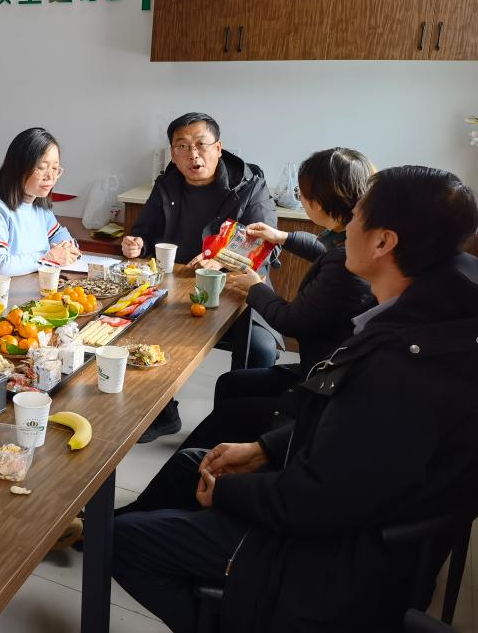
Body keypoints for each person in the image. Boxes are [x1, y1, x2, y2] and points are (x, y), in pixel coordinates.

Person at [112, 166, 478, 633]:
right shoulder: (433, 317)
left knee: (124, 542)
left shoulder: (403, 368)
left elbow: (315, 501)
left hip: (331, 562)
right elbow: (352, 439)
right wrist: (265, 448)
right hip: (346, 522)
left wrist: (229, 492)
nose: (347, 227)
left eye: (358, 215)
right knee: (195, 462)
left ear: (384, 242)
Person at [120, 147, 376, 514]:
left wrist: (255, 287)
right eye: (182, 146)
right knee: (232, 384)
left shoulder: (344, 262)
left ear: (320, 201)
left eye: (303, 193)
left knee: (232, 403)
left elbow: (291, 320)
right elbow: (322, 249)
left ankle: (174, 492)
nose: (192, 154)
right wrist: (282, 237)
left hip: (320, 385)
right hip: (323, 374)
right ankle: (206, 482)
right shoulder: (349, 236)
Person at [126, 112, 279, 441]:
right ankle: (163, 413)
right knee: (135, 329)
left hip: (237, 291)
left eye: (200, 144)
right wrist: (136, 242)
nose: (192, 154)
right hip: (175, 290)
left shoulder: (249, 185)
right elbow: (143, 231)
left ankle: (235, 431)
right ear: (172, 153)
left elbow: (264, 245)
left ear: (218, 148)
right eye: (182, 146)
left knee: (261, 349)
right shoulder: (166, 184)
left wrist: (220, 261)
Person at [0, 127, 80, 275]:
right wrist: (49, 258)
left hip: (33, 284)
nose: (50, 177)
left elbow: (62, 239)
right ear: (18, 168)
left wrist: (69, 249)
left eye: (55, 168)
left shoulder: (40, 207)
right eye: (42, 168)